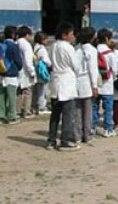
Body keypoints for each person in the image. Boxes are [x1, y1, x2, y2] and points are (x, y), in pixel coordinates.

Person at [47, 22, 80, 151]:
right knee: (68, 115)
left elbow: (50, 62)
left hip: (56, 80)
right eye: (71, 34)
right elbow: (76, 65)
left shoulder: (53, 46)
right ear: (64, 35)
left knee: (55, 115)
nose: (73, 36)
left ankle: (51, 140)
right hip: (66, 81)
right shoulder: (68, 47)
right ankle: (65, 141)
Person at [74, 27, 99, 144]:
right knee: (87, 111)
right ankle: (87, 135)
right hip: (86, 81)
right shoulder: (92, 50)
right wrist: (95, 86)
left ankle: (77, 135)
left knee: (77, 111)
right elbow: (93, 69)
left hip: (76, 81)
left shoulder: (76, 49)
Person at [93, 28, 117, 137]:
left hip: (95, 83)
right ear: (107, 39)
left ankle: (93, 127)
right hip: (107, 83)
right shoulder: (110, 53)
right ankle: (108, 129)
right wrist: (114, 78)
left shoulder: (93, 50)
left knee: (94, 106)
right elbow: (115, 69)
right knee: (108, 108)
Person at [0, 26, 24, 125]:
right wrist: (18, 68)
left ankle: (1, 116)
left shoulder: (1, 44)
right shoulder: (14, 46)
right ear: (13, 35)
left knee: (1, 97)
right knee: (12, 97)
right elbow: (19, 61)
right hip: (11, 73)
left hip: (1, 73)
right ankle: (11, 116)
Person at [16, 26, 36, 119]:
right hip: (25, 72)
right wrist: (32, 72)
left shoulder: (16, 42)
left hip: (18, 71)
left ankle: (17, 110)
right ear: (27, 35)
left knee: (19, 93)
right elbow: (28, 60)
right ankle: (26, 111)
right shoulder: (26, 45)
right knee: (28, 92)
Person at [32, 32, 52, 115]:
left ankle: (35, 106)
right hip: (42, 71)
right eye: (46, 39)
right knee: (42, 90)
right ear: (42, 40)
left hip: (37, 70)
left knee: (37, 89)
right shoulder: (42, 49)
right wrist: (51, 65)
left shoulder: (34, 47)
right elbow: (46, 61)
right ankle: (42, 107)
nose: (47, 41)